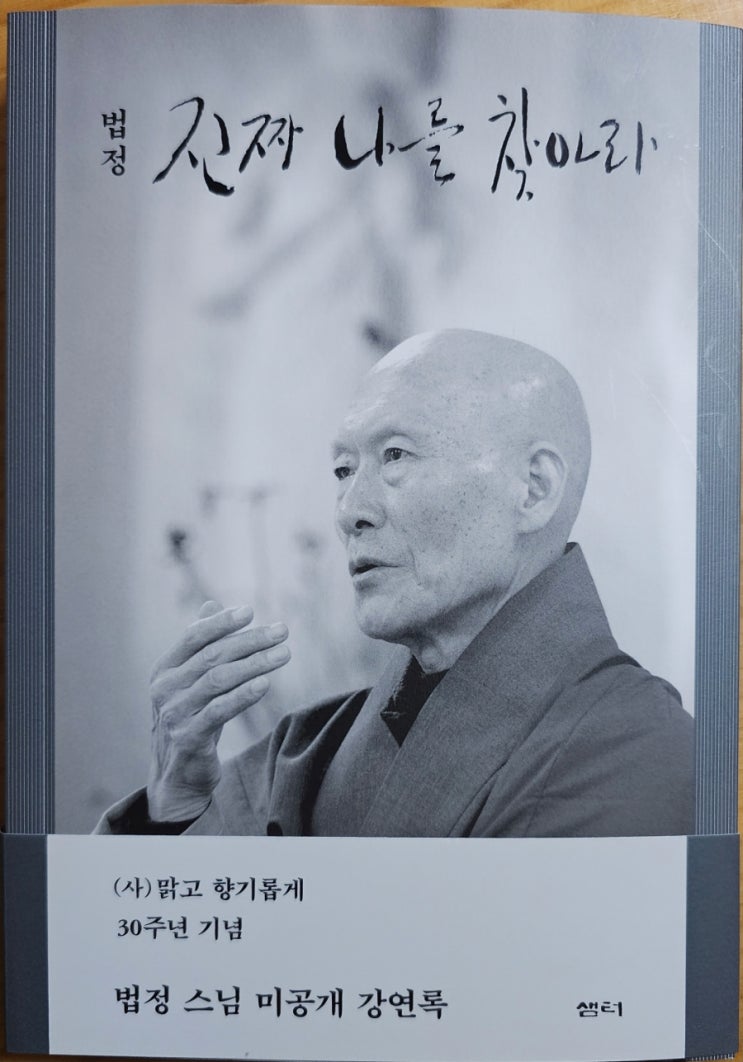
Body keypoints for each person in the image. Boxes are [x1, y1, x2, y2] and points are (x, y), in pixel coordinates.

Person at [98, 328, 693, 838]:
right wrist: (176, 806)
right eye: (343, 469)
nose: (349, 511)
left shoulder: (636, 745)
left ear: (533, 489)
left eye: (396, 456)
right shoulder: (308, 754)